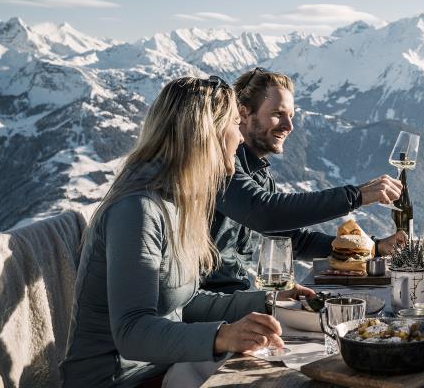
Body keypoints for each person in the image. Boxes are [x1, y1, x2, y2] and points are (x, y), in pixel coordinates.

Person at [62, 76, 314, 388]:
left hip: (166, 368)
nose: (240, 137)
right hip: (120, 380)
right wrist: (223, 335)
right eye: (235, 124)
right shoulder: (138, 210)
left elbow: (184, 303)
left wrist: (267, 300)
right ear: (207, 134)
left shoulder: (178, 201)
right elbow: (132, 331)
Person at [201, 67, 406, 294]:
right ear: (244, 114)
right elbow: (264, 212)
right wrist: (355, 196)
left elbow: (295, 241)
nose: (289, 126)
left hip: (236, 297)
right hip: (206, 303)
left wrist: (373, 247)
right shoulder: (217, 163)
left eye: (291, 116)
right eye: (278, 114)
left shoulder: (259, 175)